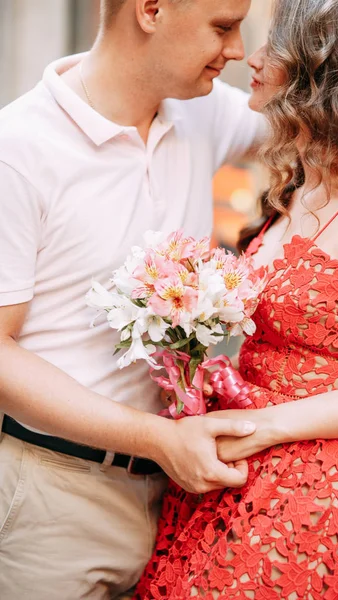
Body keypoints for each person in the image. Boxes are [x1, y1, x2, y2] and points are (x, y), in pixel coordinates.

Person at [134, 0, 338, 598]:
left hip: (322, 496)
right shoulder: (293, 190)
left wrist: (268, 424)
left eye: (274, 44)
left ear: (326, 65)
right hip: (238, 477)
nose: (249, 58)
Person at [0, 0, 266, 597]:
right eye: (223, 27)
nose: (240, 51)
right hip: (53, 498)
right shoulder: (16, 149)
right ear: (150, 10)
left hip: (178, 507)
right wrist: (159, 440)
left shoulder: (208, 113)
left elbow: (331, 122)